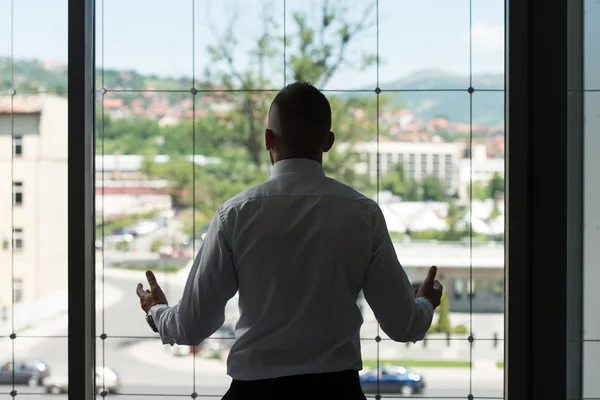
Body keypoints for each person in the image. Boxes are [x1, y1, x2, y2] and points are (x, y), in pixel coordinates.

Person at [136, 81, 444, 399]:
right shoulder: (363, 214)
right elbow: (402, 325)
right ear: (328, 141)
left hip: (254, 393)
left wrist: (156, 311)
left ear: (269, 139)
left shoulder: (235, 214)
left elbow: (191, 326)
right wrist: (425, 303)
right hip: (336, 393)